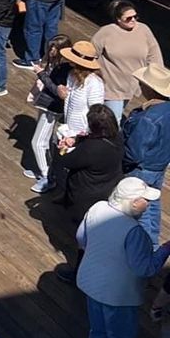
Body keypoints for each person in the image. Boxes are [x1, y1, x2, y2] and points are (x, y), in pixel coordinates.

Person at [76, 177, 170, 338]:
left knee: (97, 333)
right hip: (119, 295)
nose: (148, 205)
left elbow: (81, 239)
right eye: (145, 201)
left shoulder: (97, 209)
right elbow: (145, 268)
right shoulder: (133, 231)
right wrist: (165, 250)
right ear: (134, 203)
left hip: (91, 283)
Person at [52, 106, 124, 278]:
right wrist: (77, 140)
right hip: (107, 191)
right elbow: (91, 141)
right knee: (96, 235)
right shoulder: (117, 139)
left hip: (85, 196)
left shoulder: (92, 148)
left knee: (84, 238)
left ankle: (79, 272)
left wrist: (59, 148)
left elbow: (65, 161)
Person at [121, 63, 170, 242]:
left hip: (141, 170)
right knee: (152, 206)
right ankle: (153, 243)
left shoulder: (149, 118)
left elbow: (135, 153)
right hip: (159, 167)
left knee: (140, 213)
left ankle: (148, 250)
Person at [93, 1, 164, 122]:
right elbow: (91, 53)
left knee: (118, 118)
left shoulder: (144, 29)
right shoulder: (106, 32)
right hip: (112, 86)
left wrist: (158, 79)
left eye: (135, 16)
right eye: (128, 18)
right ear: (118, 19)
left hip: (133, 86)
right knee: (113, 121)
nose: (133, 20)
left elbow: (154, 54)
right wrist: (95, 74)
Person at [24, 34, 71, 193]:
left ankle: (47, 176)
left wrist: (41, 73)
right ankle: (43, 168)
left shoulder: (64, 68)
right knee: (45, 139)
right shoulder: (54, 63)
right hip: (45, 104)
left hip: (52, 107)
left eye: (55, 48)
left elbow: (56, 89)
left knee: (38, 142)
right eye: (50, 47)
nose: (51, 50)